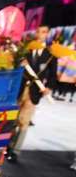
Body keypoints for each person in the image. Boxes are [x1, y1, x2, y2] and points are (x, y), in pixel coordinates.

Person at [8, 25, 57, 162]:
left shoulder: (50, 54)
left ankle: (15, 151)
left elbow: (53, 75)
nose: (39, 34)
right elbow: (15, 66)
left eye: (42, 32)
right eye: (37, 31)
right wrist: (19, 62)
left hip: (34, 93)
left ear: (47, 34)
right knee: (12, 120)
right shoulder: (26, 49)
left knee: (24, 122)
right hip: (19, 90)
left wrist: (49, 88)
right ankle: (6, 146)